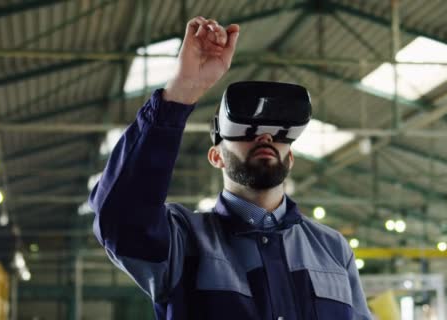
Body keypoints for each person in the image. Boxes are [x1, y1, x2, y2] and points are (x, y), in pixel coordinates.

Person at [90, 16, 372, 320]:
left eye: (278, 135)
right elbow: (120, 218)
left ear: (290, 159)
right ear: (216, 157)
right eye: (247, 131)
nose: (265, 137)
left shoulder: (331, 248)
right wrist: (181, 91)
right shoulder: (183, 241)